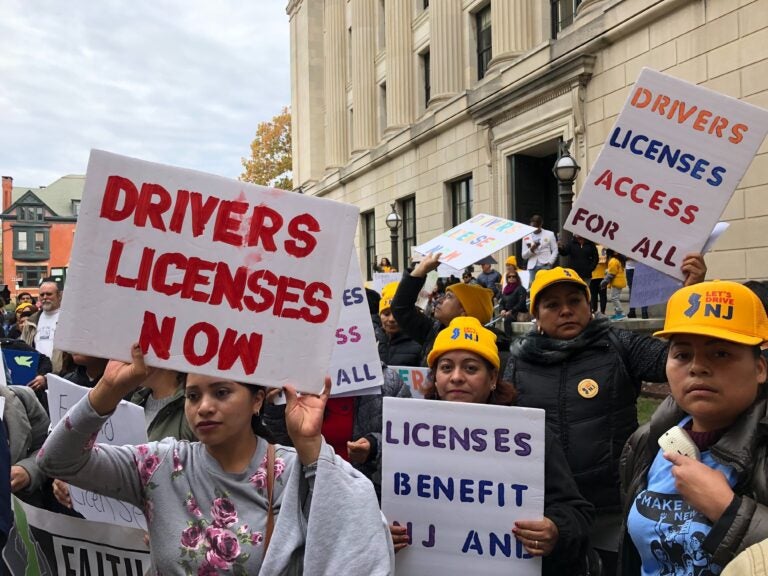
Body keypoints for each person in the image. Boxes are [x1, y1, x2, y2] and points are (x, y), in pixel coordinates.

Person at [38, 345, 394, 574]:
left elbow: (356, 537)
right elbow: (58, 461)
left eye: (221, 392)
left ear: (257, 400)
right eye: (193, 395)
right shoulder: (160, 465)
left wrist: (310, 444)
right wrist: (107, 391)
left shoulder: (294, 471)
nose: (204, 406)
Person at [504, 258, 707, 574]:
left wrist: (692, 299)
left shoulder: (618, 345)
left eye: (574, 301)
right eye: (552, 305)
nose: (566, 310)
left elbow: (677, 362)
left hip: (614, 507)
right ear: (536, 316)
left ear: (589, 305)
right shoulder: (517, 363)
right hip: (551, 512)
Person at [390, 317, 595, 575]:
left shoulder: (528, 435)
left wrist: (555, 530)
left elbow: (577, 513)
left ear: (493, 378)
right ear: (434, 378)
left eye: (471, 368)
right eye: (445, 367)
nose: (456, 377)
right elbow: (379, 500)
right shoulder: (403, 434)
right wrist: (381, 529)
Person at [619, 280, 768, 575]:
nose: (697, 367)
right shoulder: (646, 442)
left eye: (721, 353)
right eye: (682, 355)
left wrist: (729, 512)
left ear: (760, 368)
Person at [264, 365, 411, 500]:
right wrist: (276, 407)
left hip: (370, 501)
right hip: (309, 496)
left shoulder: (388, 383)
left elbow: (409, 444)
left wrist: (374, 447)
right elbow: (282, 448)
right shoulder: (292, 380)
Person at [391, 252, 509, 367]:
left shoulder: (494, 346)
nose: (440, 300)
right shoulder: (433, 331)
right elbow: (401, 309)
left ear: (464, 310)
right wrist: (421, 269)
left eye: (449, 297)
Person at [21, 280, 64, 388]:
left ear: (59, 295)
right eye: (42, 294)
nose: (45, 297)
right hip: (34, 379)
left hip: (61, 378)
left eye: (49, 294)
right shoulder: (31, 321)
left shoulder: (68, 320)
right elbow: (23, 348)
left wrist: (49, 378)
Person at [377, 282, 421, 367]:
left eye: (397, 314)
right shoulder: (372, 341)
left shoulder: (420, 343)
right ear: (379, 315)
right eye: (386, 314)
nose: (391, 319)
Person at [521, 214, 558, 284]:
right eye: (533, 227)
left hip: (545, 265)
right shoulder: (526, 236)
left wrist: (550, 262)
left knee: (545, 286)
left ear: (541, 224)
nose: (535, 229)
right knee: (533, 288)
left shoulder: (549, 234)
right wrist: (531, 249)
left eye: (536, 227)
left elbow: (555, 250)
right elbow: (523, 256)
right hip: (532, 266)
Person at [499, 268, 528, 336]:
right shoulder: (505, 290)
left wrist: (511, 311)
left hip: (518, 313)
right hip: (508, 313)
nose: (511, 278)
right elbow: (501, 302)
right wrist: (502, 310)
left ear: (517, 278)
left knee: (507, 320)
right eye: (509, 277)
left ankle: (508, 340)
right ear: (507, 279)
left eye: (513, 276)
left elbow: (521, 303)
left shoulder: (521, 289)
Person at [602, 249, 628, 321]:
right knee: (615, 298)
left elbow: (612, 273)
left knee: (614, 298)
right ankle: (617, 313)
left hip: (617, 282)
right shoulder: (618, 260)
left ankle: (620, 313)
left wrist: (604, 282)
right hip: (619, 281)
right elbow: (613, 270)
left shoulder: (613, 260)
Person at [591, 244, 608, 315]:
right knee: (603, 295)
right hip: (602, 275)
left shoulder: (591, 247)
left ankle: (594, 311)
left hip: (593, 275)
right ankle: (602, 312)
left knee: (593, 295)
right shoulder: (605, 247)